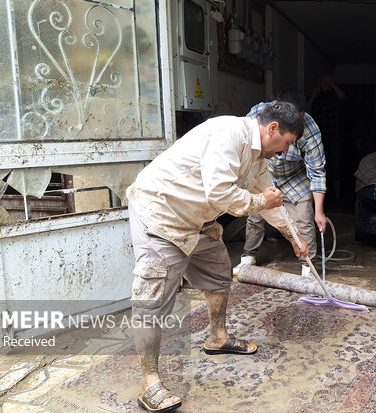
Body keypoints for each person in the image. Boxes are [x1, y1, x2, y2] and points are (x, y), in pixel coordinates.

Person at [126, 101, 309, 412]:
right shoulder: (228, 134)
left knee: (218, 273)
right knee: (152, 298)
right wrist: (260, 201)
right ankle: (150, 382)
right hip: (161, 212)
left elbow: (271, 199)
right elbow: (222, 194)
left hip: (197, 217)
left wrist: (294, 236)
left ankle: (218, 337)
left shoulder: (257, 158)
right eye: (286, 144)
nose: (285, 153)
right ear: (273, 128)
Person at [232, 90, 327, 277]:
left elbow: (317, 171)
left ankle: (309, 267)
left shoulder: (310, 129)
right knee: (255, 214)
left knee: (303, 219)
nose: (285, 150)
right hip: (262, 170)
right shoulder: (255, 119)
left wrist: (319, 211)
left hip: (295, 178)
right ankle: (248, 257)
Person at [308, 74, 345, 201]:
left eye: (326, 84)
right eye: (322, 83)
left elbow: (343, 99)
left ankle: (337, 196)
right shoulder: (318, 99)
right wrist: (314, 95)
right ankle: (321, 195)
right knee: (319, 167)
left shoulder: (335, 97)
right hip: (319, 139)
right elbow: (307, 112)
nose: (324, 86)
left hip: (334, 137)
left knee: (336, 167)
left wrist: (332, 84)